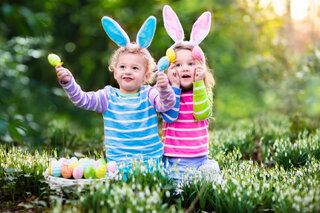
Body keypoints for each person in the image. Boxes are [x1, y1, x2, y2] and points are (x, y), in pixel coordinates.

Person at [54, 16, 176, 175]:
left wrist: (164, 87)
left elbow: (166, 104)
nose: (127, 71)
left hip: (151, 161)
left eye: (135, 68)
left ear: (146, 77)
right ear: (115, 72)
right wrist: (69, 83)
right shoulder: (107, 96)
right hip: (118, 164)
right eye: (122, 67)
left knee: (149, 188)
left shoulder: (149, 94)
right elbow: (82, 100)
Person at [160, 5, 220, 182]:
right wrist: (174, 88)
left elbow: (201, 113)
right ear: (170, 70)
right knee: (175, 191)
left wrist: (199, 84)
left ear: (200, 68)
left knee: (208, 183)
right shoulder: (167, 93)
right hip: (173, 160)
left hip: (200, 159)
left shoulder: (204, 90)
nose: (184, 68)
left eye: (191, 64)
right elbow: (169, 116)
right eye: (177, 65)